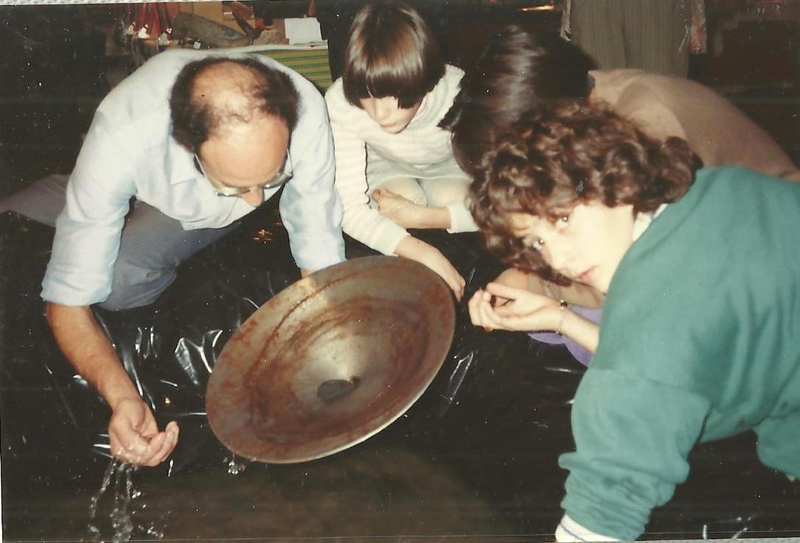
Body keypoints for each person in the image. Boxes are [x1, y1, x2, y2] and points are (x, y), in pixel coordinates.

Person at [467, 101, 800, 541]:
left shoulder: (643, 347)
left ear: (609, 172)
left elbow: (604, 510)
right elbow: (678, 354)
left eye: (562, 218)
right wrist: (559, 318)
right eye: (536, 240)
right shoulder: (726, 187)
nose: (557, 258)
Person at [0, 50, 345, 467]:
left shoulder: (304, 107)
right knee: (28, 218)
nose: (258, 200)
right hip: (146, 175)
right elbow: (66, 303)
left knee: (120, 282)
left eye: (270, 179)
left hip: (194, 205)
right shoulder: (124, 133)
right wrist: (124, 398)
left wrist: (332, 345)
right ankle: (98, 202)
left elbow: (316, 239)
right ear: (187, 145)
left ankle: (118, 208)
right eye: (238, 184)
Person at [446, 25, 800, 361]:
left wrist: (546, 289)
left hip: (768, 258)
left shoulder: (643, 126)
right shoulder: (582, 98)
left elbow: (638, 275)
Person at [324, 0, 474, 300]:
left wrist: (424, 218)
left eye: (398, 96)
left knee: (451, 199)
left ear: (426, 79)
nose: (381, 114)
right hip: (386, 166)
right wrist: (421, 251)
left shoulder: (460, 92)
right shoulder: (340, 101)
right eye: (367, 97)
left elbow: (512, 206)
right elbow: (348, 208)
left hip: (451, 166)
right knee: (404, 199)